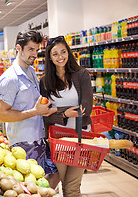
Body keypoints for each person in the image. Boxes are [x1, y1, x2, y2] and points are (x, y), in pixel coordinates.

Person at [0, 31, 59, 185]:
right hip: (24, 143)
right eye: (30, 49)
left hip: (38, 136)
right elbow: (1, 115)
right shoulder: (10, 78)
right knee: (32, 185)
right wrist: (35, 112)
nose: (34, 54)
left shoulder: (30, 70)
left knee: (55, 173)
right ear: (19, 48)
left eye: (36, 50)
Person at [39, 36, 93, 197]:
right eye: (55, 54)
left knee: (72, 186)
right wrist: (64, 113)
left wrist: (56, 110)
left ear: (68, 53)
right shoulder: (45, 82)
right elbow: (44, 115)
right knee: (63, 181)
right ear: (49, 57)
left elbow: (85, 109)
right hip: (58, 139)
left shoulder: (82, 75)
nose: (60, 56)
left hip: (81, 137)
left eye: (63, 52)